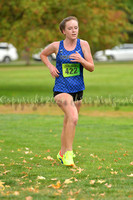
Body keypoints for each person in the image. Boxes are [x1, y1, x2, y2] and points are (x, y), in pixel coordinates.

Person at [40, 16, 94, 166]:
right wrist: (51, 67)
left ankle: (62, 153)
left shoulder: (83, 45)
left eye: (75, 28)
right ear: (64, 31)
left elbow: (91, 67)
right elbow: (43, 54)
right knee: (73, 117)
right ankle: (69, 154)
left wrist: (81, 60)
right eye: (70, 28)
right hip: (61, 88)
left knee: (69, 121)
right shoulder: (57, 46)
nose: (73, 31)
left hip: (78, 90)